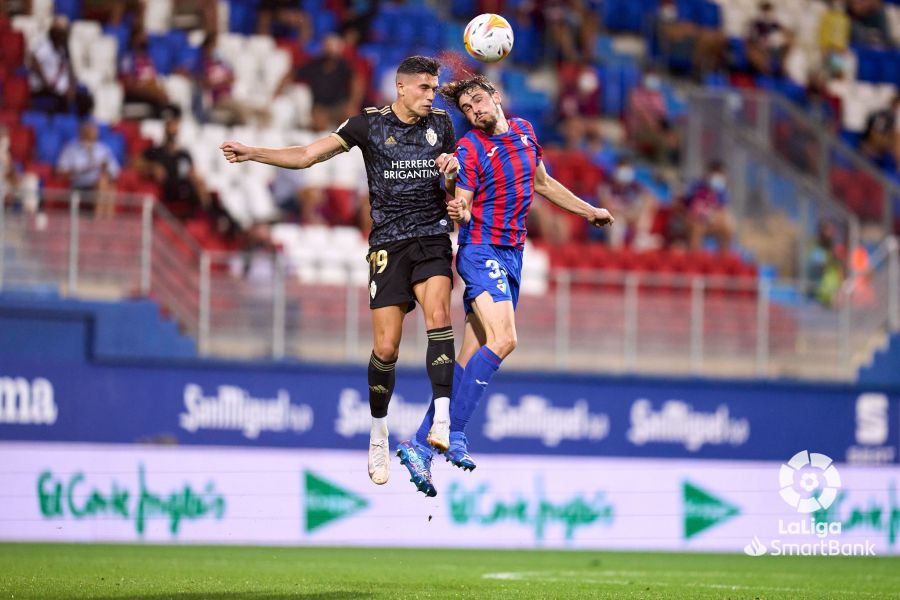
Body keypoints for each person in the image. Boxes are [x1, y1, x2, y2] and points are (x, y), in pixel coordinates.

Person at [220, 56, 460, 491]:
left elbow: (453, 186)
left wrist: (453, 185)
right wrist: (254, 152)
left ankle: (442, 418)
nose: (431, 95)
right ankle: (378, 430)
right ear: (400, 87)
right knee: (386, 348)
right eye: (424, 87)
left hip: (432, 237)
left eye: (435, 87)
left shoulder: (443, 125)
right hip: (388, 243)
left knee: (439, 316)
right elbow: (309, 155)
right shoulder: (366, 125)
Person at [399, 74, 613, 496]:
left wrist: (589, 212)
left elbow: (543, 183)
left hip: (513, 257)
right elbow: (462, 198)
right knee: (505, 338)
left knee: (468, 360)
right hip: (481, 251)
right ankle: (455, 433)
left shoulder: (525, 131)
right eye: (467, 108)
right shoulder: (470, 148)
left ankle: (418, 444)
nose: (475, 110)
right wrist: (458, 205)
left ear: (496, 97)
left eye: (478, 101)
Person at [140, 105, 211, 220]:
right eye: (170, 125)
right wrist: (152, 167)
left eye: (175, 124)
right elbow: (136, 163)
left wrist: (198, 181)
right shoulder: (157, 152)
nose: (173, 128)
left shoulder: (183, 154)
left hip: (186, 188)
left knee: (200, 187)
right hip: (169, 190)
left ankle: (206, 217)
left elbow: (192, 172)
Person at [27, 15, 93, 117]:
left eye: (64, 31)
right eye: (59, 31)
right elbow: (34, 61)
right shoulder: (44, 46)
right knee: (60, 103)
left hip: (61, 89)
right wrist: (47, 83)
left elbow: (69, 69)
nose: (62, 34)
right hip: (45, 88)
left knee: (86, 99)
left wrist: (72, 87)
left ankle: (80, 125)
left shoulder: (63, 49)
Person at [56, 119, 121, 217]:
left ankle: (102, 218)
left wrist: (106, 169)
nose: (92, 133)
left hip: (101, 184)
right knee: (104, 185)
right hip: (80, 185)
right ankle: (103, 222)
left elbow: (115, 172)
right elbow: (61, 171)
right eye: (88, 131)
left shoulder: (103, 149)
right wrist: (86, 168)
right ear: (81, 132)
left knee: (106, 185)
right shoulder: (70, 149)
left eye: (94, 131)